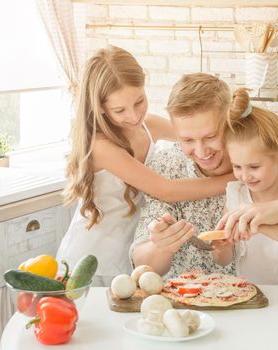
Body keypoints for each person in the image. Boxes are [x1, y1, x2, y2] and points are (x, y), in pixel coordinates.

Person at [130, 73, 278, 279]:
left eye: (211, 136)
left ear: (232, 124)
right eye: (188, 140)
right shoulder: (167, 167)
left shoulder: (268, 160)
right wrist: (161, 246)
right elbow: (143, 263)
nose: (201, 152)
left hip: (268, 303)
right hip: (192, 307)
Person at [56, 47, 233, 286]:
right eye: (120, 110)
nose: (133, 115)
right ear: (100, 108)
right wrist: (236, 178)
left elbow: (196, 134)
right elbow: (165, 190)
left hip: (132, 251)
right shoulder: (100, 145)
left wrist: (273, 150)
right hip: (91, 258)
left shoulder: (148, 125)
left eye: (139, 101)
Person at [209, 88, 278, 285]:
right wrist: (221, 248)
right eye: (237, 166)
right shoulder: (236, 194)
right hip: (250, 294)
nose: (245, 175)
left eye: (254, 166)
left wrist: (260, 224)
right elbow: (224, 261)